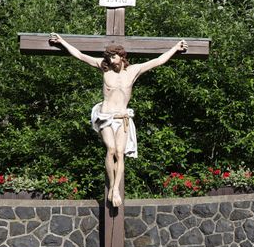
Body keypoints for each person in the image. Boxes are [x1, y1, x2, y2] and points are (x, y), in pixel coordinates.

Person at [48, 33, 188, 207]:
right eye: (108, 56)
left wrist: (175, 48)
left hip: (122, 118)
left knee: (120, 154)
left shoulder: (134, 70)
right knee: (111, 149)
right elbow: (80, 55)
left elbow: (158, 61)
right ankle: (112, 187)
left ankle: (115, 189)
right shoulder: (104, 67)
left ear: (122, 56)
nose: (110, 59)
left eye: (113, 56)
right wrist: (62, 41)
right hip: (106, 116)